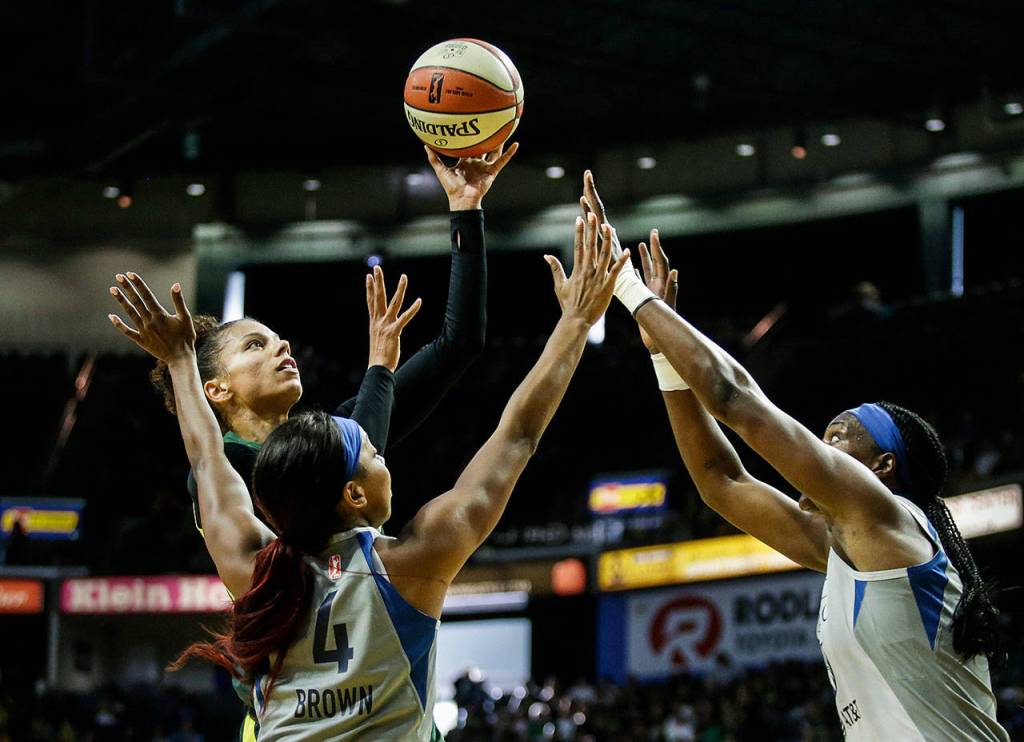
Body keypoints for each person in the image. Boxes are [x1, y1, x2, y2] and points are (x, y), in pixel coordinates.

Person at [105, 213, 627, 740]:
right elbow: (517, 434)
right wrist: (576, 322)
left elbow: (206, 459)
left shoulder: (255, 563)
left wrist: (179, 361)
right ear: (350, 489)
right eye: (376, 454)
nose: (382, 453)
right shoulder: (414, 560)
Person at [580, 171, 1007, 741]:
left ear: (882, 470)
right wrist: (662, 357)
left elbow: (735, 400)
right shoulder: (842, 548)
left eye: (840, 437)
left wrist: (633, 291)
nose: (821, 448)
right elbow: (720, 483)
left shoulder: (889, 519)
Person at [136, 143, 517, 536]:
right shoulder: (222, 466)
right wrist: (379, 369)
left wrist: (466, 209)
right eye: (255, 344)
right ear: (216, 389)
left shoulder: (332, 433)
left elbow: (460, 343)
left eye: (277, 339)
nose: (281, 346)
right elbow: (340, 464)